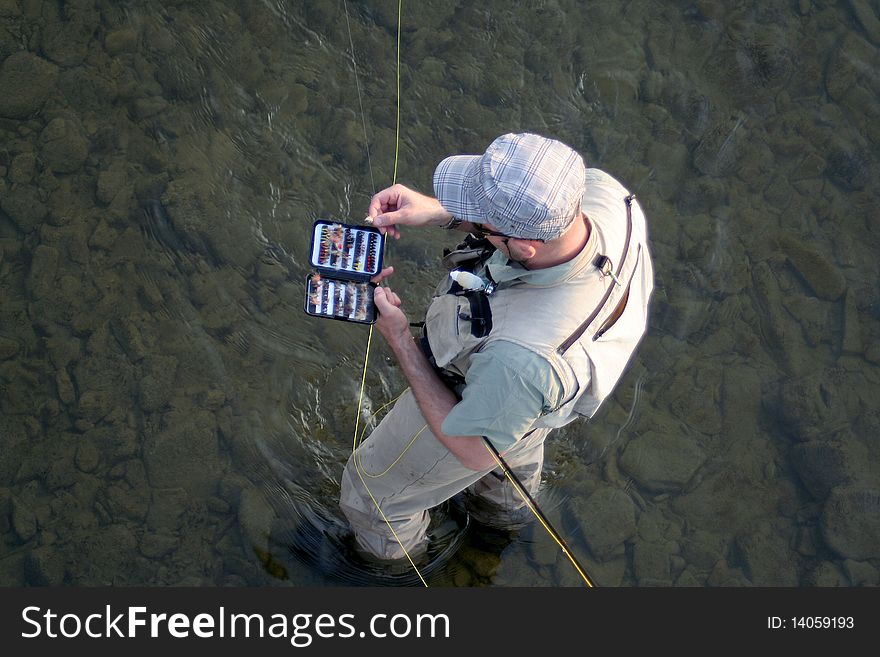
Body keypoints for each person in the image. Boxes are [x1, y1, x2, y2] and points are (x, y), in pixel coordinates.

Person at [339, 132, 654, 561]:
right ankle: (500, 526)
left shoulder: (521, 362)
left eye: (483, 220)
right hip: (529, 401)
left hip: (493, 393)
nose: (474, 220)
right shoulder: (605, 194)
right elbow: (518, 232)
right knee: (514, 448)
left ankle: (396, 570)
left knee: (371, 494)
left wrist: (399, 339)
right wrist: (439, 213)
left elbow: (473, 449)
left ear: (524, 246)